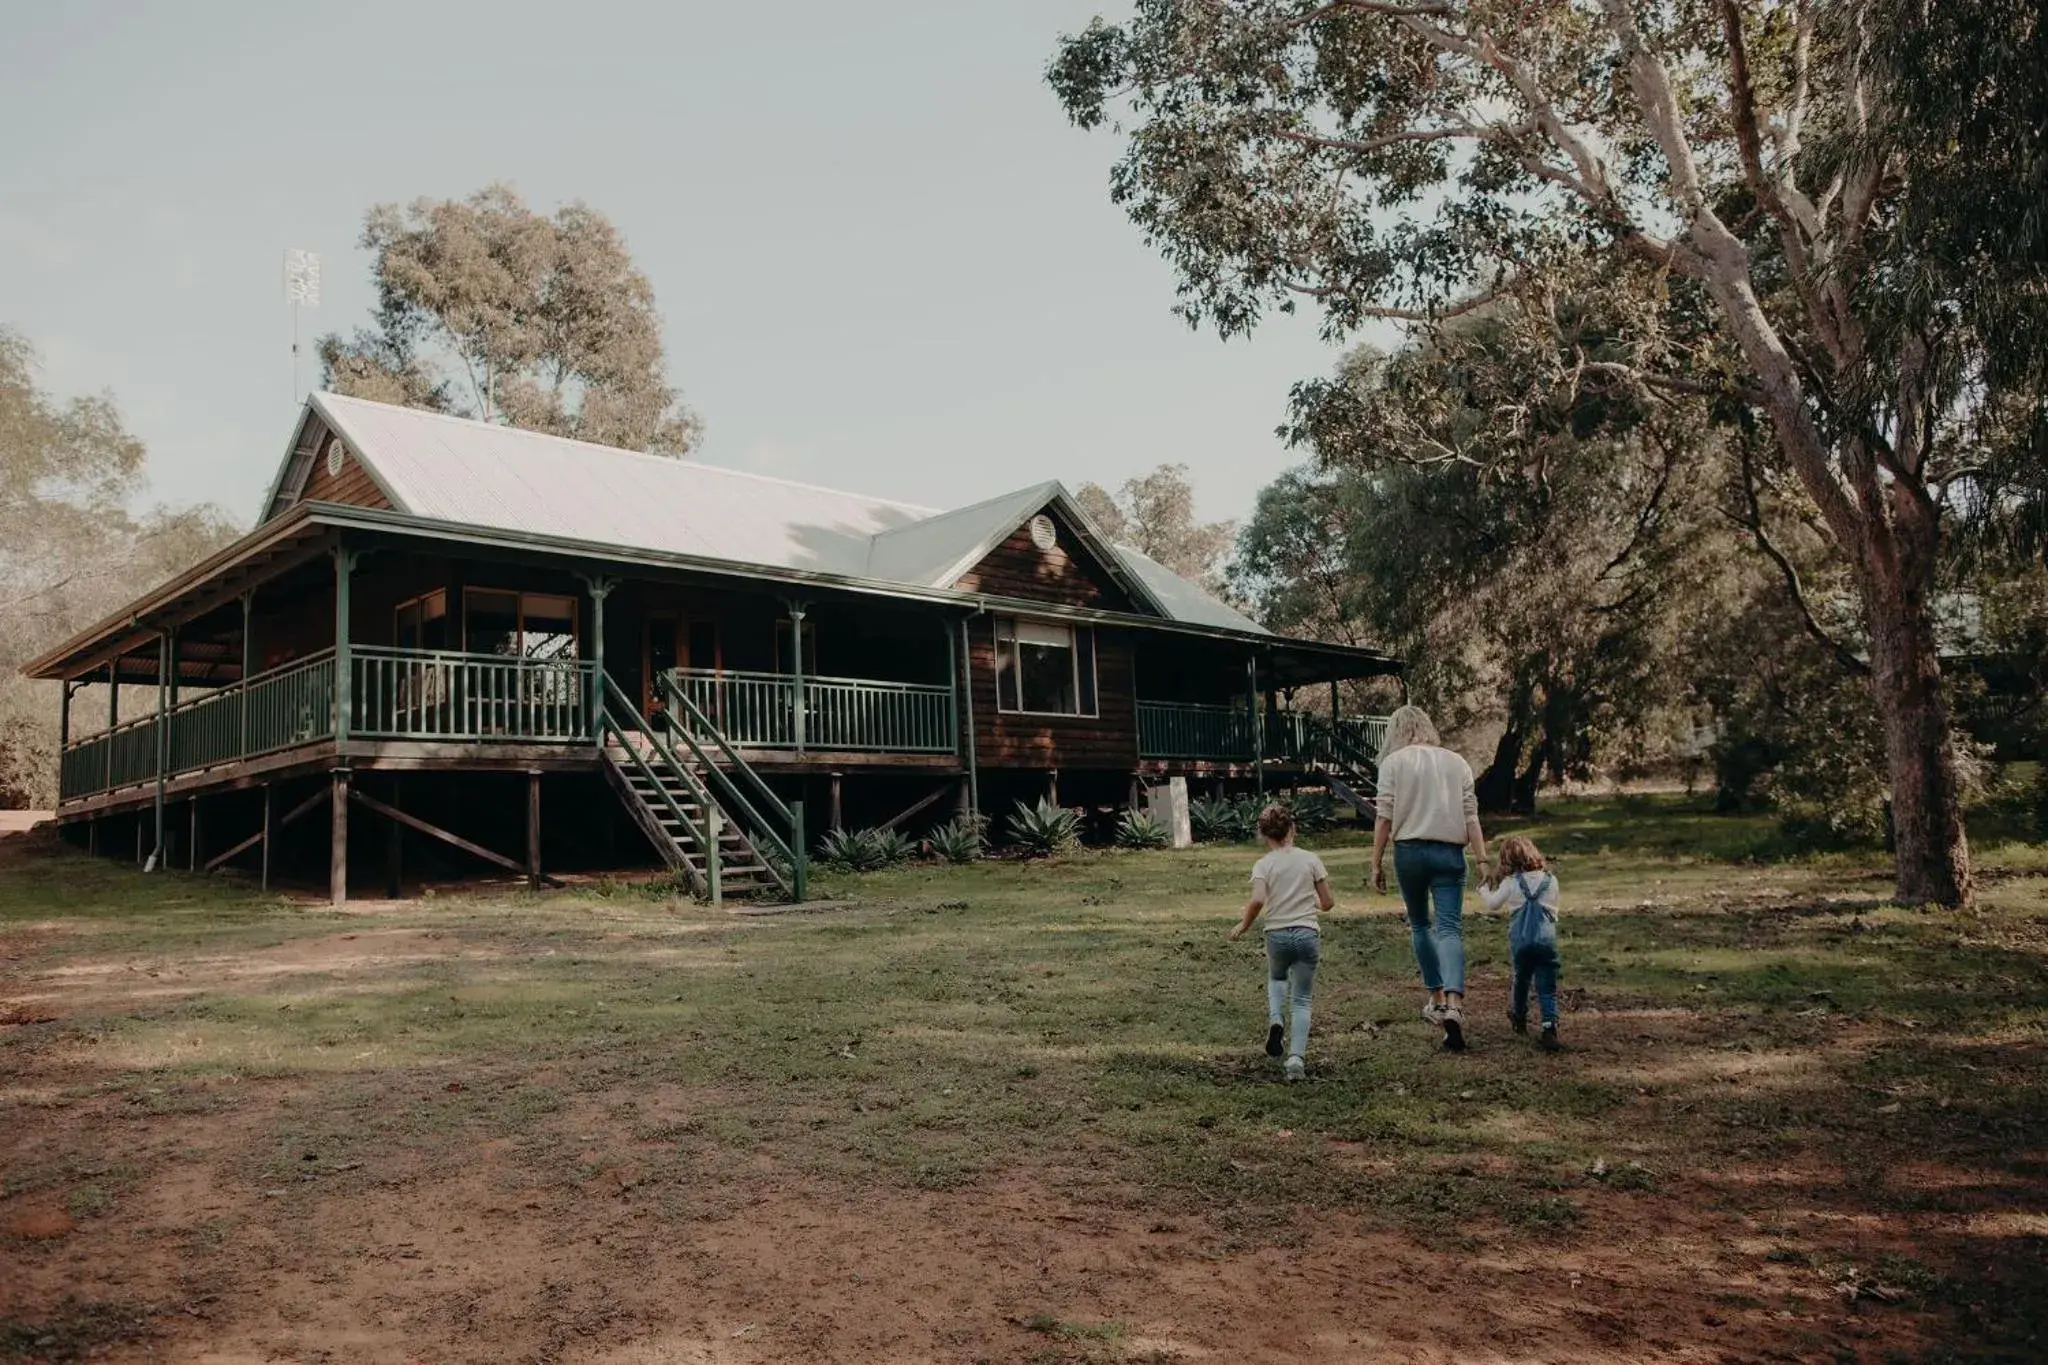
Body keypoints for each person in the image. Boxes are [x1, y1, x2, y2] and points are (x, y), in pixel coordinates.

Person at [1371, 704, 1489, 1051]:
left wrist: (1376, 863)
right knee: (1450, 928)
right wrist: (1482, 861)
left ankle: (1436, 1000)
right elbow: (1471, 816)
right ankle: (1455, 1006)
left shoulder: (1393, 764)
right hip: (1450, 854)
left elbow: (1384, 818)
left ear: (1397, 731)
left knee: (1421, 925)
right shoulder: (1457, 763)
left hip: (1410, 853)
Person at [1228, 803, 1335, 1082]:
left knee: (1276, 979)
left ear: (1263, 835)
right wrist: (1313, 901)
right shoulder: (1311, 859)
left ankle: (1276, 1019)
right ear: (1292, 829)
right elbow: (1328, 903)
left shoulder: (1264, 864)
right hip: (1307, 934)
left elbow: (1258, 900)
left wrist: (1244, 924)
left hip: (1277, 935)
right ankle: (1296, 1060)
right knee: (1301, 999)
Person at [1481, 835, 1562, 1051]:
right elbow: (1554, 909)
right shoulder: (1551, 880)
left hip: (1521, 942)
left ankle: (1518, 1015)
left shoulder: (1511, 883)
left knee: (1521, 979)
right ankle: (1549, 1026)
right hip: (1546, 941)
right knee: (1547, 985)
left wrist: (1483, 889)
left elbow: (1493, 904)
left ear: (1507, 860)